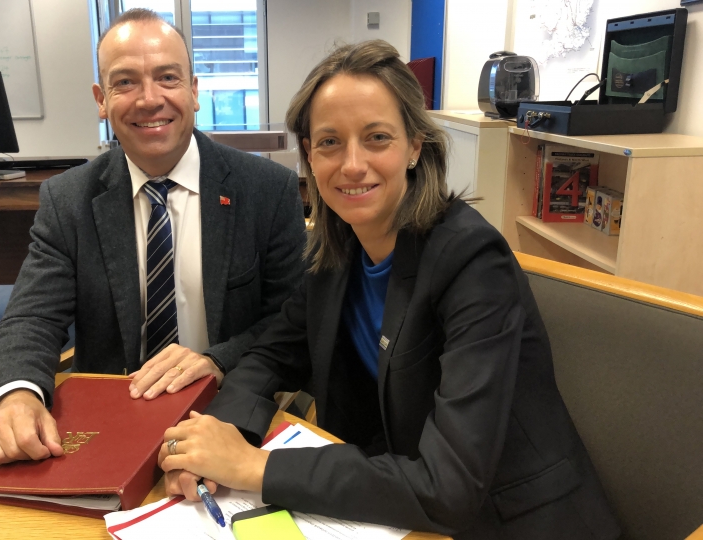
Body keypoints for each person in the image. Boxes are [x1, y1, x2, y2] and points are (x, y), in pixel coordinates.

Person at [157, 40, 621, 539]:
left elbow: (450, 488)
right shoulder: (335, 252)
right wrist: (221, 438)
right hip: (397, 507)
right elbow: (269, 356)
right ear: (310, 155)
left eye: (377, 137)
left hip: (512, 521)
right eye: (330, 142)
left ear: (415, 146)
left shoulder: (472, 262)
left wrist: (254, 468)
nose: (352, 164)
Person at [0, 9, 306, 467]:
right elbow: (31, 317)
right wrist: (15, 396)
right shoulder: (68, 200)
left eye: (167, 78)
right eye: (125, 82)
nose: (149, 100)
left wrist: (219, 360)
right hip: (107, 423)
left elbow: (291, 319)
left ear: (193, 90)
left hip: (228, 409)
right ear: (101, 99)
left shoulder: (267, 190)